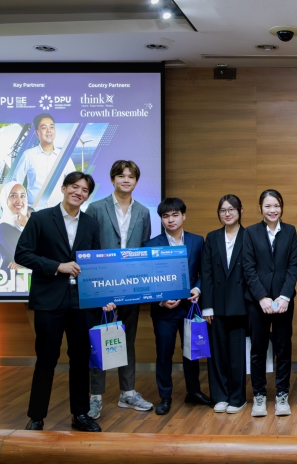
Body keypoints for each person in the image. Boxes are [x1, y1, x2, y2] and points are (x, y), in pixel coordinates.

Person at [14, 172, 113, 432]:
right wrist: (58, 266)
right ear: (64, 188)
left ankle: (80, 414)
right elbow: (22, 253)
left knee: (80, 360)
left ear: (87, 196)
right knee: (46, 358)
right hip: (49, 302)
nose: (79, 192)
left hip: (82, 302)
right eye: (75, 187)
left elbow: (95, 263)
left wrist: (102, 298)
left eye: (85, 190)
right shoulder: (41, 218)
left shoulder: (91, 224)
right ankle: (36, 416)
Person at [85, 160, 153, 418]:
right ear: (112, 179)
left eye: (131, 176)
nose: (126, 180)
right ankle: (95, 396)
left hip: (132, 286)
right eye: (121, 176)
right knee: (98, 341)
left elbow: (145, 249)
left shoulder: (144, 212)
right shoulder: (95, 208)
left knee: (128, 340)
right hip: (101, 285)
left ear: (136, 181)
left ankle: (128, 393)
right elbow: (88, 249)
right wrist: (96, 290)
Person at [143, 197, 211, 415]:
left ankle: (193, 391)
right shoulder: (151, 245)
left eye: (175, 215)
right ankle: (165, 396)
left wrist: (198, 290)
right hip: (164, 309)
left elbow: (204, 272)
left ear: (183, 216)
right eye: (165, 216)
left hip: (190, 308)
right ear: (161, 219)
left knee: (192, 351)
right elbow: (146, 279)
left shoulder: (197, 241)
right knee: (164, 353)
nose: (170, 220)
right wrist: (161, 300)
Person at [243, 189, 297, 417]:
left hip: (284, 302)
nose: (272, 210)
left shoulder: (290, 231)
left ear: (281, 207)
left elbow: (293, 266)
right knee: (258, 349)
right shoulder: (250, 232)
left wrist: (284, 297)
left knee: (283, 349)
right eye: (267, 206)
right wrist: (262, 298)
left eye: (276, 205)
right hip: (258, 302)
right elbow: (248, 268)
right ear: (260, 209)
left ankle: (282, 395)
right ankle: (259, 395)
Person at [201, 195, 248, 414]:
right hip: (216, 305)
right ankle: (219, 396)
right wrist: (207, 306)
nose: (227, 214)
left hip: (241, 304)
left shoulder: (249, 235)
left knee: (237, 354)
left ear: (240, 211)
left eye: (231, 209)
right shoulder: (211, 237)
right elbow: (206, 273)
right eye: (222, 210)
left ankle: (238, 398)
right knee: (217, 353)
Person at [11, 113, 76, 210]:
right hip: (35, 212)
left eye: (52, 127)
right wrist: (23, 208)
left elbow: (75, 182)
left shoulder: (63, 156)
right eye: (44, 127)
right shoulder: (28, 155)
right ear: (37, 133)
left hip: (59, 212)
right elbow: (15, 184)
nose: (49, 130)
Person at [0, 181, 29, 271]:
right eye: (13, 195)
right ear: (5, 199)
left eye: (22, 196)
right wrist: (28, 226)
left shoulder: (26, 222)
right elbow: (24, 256)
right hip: (13, 278)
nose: (19, 201)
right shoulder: (3, 227)